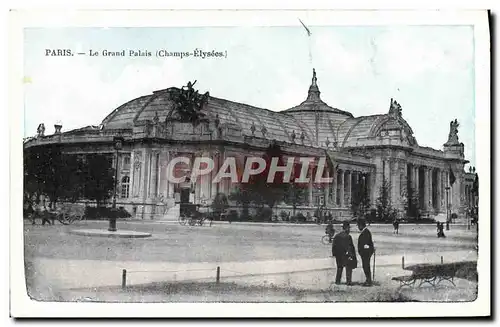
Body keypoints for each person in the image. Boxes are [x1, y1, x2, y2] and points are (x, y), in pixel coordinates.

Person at [357, 218, 375, 286]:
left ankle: (368, 281)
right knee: (365, 266)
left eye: (358, 226)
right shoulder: (365, 232)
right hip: (365, 253)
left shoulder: (366, 232)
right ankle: (368, 279)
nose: (358, 227)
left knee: (366, 266)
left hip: (366, 253)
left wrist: (364, 250)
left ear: (361, 225)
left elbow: (366, 244)